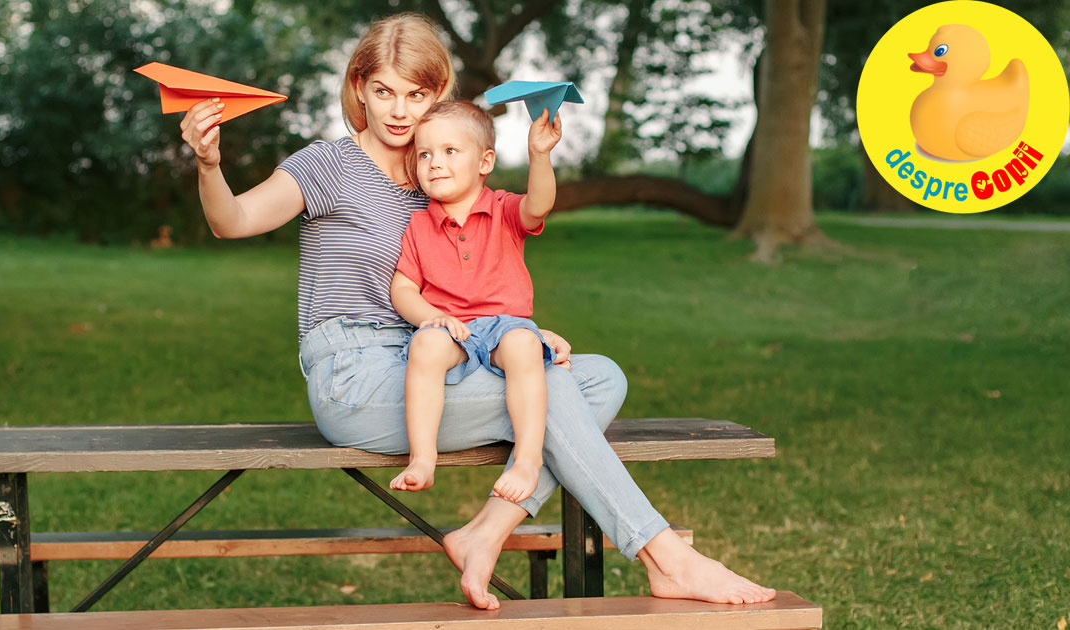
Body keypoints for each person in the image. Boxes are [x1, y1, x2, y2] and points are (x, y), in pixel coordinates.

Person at [179, 12, 775, 611]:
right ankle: (666, 558)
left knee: (599, 378)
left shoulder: (438, 169)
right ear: (358, 88)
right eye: (384, 91)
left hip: (447, 352)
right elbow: (232, 221)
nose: (399, 111)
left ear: (441, 93)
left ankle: (484, 533)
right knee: (554, 393)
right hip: (357, 376)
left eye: (418, 93)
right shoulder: (327, 165)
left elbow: (471, 277)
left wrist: (518, 331)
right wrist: (209, 164)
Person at [388, 101, 560, 504]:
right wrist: (434, 318)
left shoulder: (503, 209)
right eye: (425, 154)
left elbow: (540, 205)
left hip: (504, 326)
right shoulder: (418, 225)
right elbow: (403, 289)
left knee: (522, 346)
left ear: (485, 162)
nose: (434, 163)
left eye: (450, 151)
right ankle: (422, 457)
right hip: (453, 329)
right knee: (425, 344)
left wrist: (540, 154)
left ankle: (528, 460)